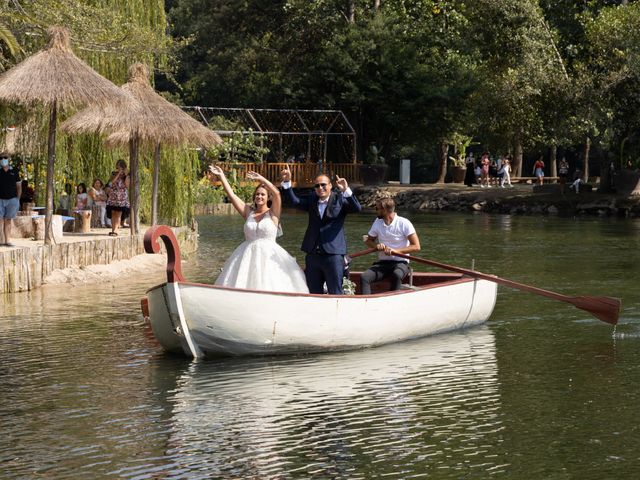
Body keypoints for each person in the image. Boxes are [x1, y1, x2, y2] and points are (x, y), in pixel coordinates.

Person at [207, 165, 309, 293]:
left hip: (270, 256)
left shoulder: (273, 214)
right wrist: (222, 176)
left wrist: (261, 179)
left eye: (263, 195)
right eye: (257, 194)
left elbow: (277, 193)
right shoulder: (248, 212)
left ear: (268, 198)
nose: (259, 197)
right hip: (246, 254)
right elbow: (232, 196)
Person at [280, 165, 362, 294]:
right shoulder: (312, 199)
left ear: (330, 186)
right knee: (313, 293)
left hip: (333, 254)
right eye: (317, 186)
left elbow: (357, 208)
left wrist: (346, 190)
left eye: (323, 185)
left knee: (336, 292)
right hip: (313, 255)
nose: (320, 188)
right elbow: (294, 201)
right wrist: (287, 182)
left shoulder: (340, 199)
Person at [361, 197, 421, 295]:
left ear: (384, 210)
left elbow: (416, 246)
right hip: (383, 263)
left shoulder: (404, 223)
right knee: (364, 277)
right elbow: (368, 241)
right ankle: (366, 303)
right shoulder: (377, 222)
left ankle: (393, 301)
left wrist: (396, 251)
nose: (375, 211)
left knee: (396, 275)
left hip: (401, 262)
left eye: (377, 209)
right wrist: (377, 246)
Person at [0, 152, 21, 247]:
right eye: (1, 158)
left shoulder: (14, 171)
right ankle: (1, 240)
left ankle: (8, 240)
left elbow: (19, 186)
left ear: (9, 159)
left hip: (12, 199)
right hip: (0, 199)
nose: (3, 160)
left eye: (5, 157)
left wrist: (18, 199)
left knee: (8, 220)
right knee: (0, 220)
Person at [106, 159, 130, 236]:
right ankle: (113, 230)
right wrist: (118, 174)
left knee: (119, 213)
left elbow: (127, 185)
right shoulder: (113, 173)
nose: (119, 169)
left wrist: (126, 175)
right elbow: (112, 182)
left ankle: (116, 230)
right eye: (118, 167)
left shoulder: (127, 175)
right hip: (113, 195)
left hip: (122, 196)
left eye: (121, 167)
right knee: (113, 212)